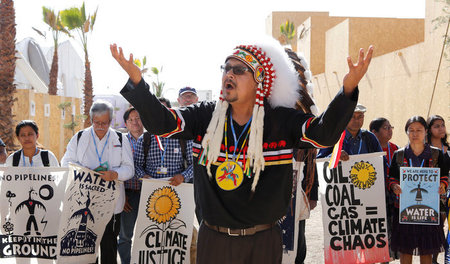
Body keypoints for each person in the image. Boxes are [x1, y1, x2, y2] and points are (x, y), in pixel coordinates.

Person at [111, 38, 373, 263]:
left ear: (259, 80)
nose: (229, 74)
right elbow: (162, 123)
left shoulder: (280, 122)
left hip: (263, 241)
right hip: (214, 241)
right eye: (226, 68)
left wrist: (348, 89)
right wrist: (138, 83)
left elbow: (323, 133)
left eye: (239, 70)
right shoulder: (205, 116)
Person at [61, 100, 134, 264]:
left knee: (109, 248)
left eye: (105, 123)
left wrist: (115, 174)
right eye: (97, 123)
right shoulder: (79, 137)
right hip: (84, 203)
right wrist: (83, 170)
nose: (100, 126)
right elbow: (66, 163)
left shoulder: (121, 140)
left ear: (111, 121)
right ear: (91, 119)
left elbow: (129, 169)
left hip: (111, 204)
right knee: (87, 250)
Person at [389, 116, 448, 264]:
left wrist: (442, 186)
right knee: (405, 251)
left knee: (426, 251)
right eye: (411, 130)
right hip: (404, 210)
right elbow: (392, 178)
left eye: (419, 130)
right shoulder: (400, 154)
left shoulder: (436, 154)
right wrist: (394, 186)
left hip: (428, 210)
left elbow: (444, 175)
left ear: (426, 132)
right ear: (407, 132)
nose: (415, 134)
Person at [133, 97, 193, 186]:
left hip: (178, 188)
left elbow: (194, 165)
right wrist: (143, 177)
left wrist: (183, 176)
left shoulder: (183, 137)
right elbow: (136, 165)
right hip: (151, 188)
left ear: (170, 112)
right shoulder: (145, 138)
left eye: (162, 111)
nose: (158, 115)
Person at [118, 107, 144, 264]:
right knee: (126, 235)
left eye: (138, 118)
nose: (135, 122)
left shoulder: (153, 139)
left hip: (149, 193)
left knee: (148, 233)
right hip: (128, 194)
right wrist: (122, 197)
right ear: (126, 123)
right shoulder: (120, 142)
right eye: (131, 120)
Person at [317, 103, 383, 159]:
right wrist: (334, 156)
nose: (356, 120)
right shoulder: (333, 137)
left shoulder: (369, 137)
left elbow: (381, 160)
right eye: (352, 116)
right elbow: (319, 162)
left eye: (360, 116)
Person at [426, 115, 449, 264]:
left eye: (442, 125)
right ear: (429, 130)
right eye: (436, 126)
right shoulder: (424, 149)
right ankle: (433, 259)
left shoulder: (448, 148)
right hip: (431, 193)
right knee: (436, 227)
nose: (441, 128)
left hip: (448, 192)